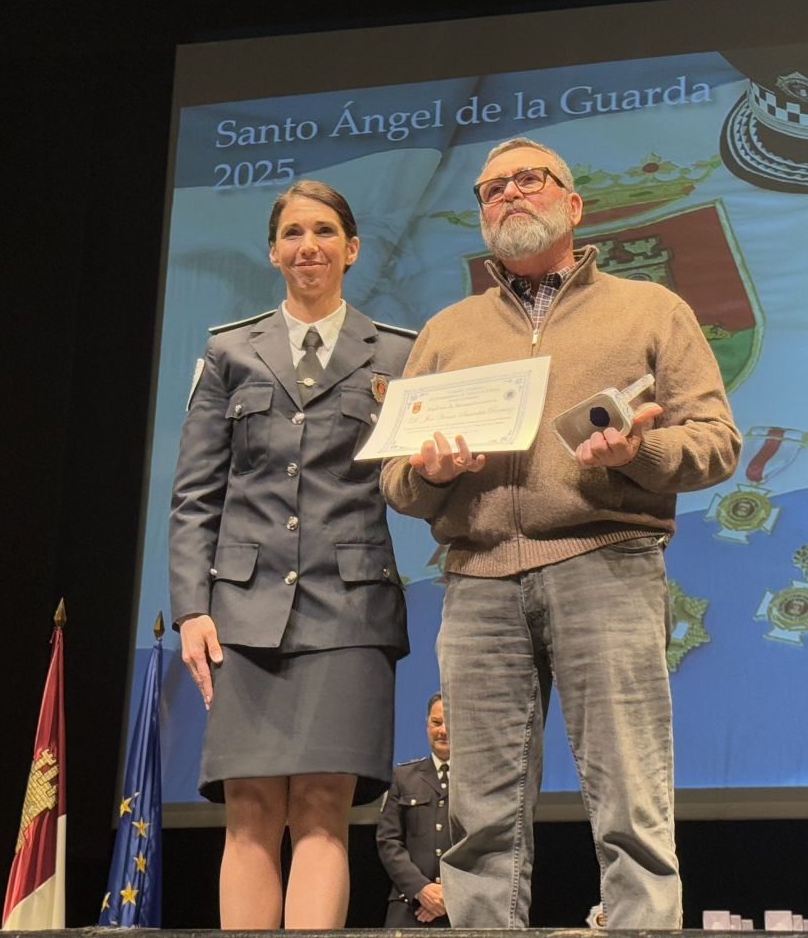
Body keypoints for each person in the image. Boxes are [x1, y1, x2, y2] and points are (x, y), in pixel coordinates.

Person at [380, 138, 741, 929]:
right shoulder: (446, 331)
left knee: (630, 801)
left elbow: (717, 442)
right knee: (479, 822)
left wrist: (636, 450)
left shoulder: (650, 309)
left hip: (606, 562)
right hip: (476, 582)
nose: (508, 194)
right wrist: (432, 473)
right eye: (491, 189)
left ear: (573, 205)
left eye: (527, 180)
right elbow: (396, 477)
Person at [169, 179, 413, 929]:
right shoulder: (228, 351)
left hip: (350, 609)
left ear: (352, 248)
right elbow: (195, 495)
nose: (309, 246)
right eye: (293, 234)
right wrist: (191, 611)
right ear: (273, 251)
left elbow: (415, 485)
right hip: (242, 612)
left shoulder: (401, 354)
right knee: (248, 811)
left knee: (320, 809)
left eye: (325, 232)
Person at [376, 693, 453, 927]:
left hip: (462, 911)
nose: (443, 731)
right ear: (426, 724)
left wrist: (450, 897)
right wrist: (421, 890)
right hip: (409, 907)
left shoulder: (476, 781)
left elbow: (482, 844)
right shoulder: (403, 777)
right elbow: (388, 842)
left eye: (449, 722)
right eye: (436, 723)